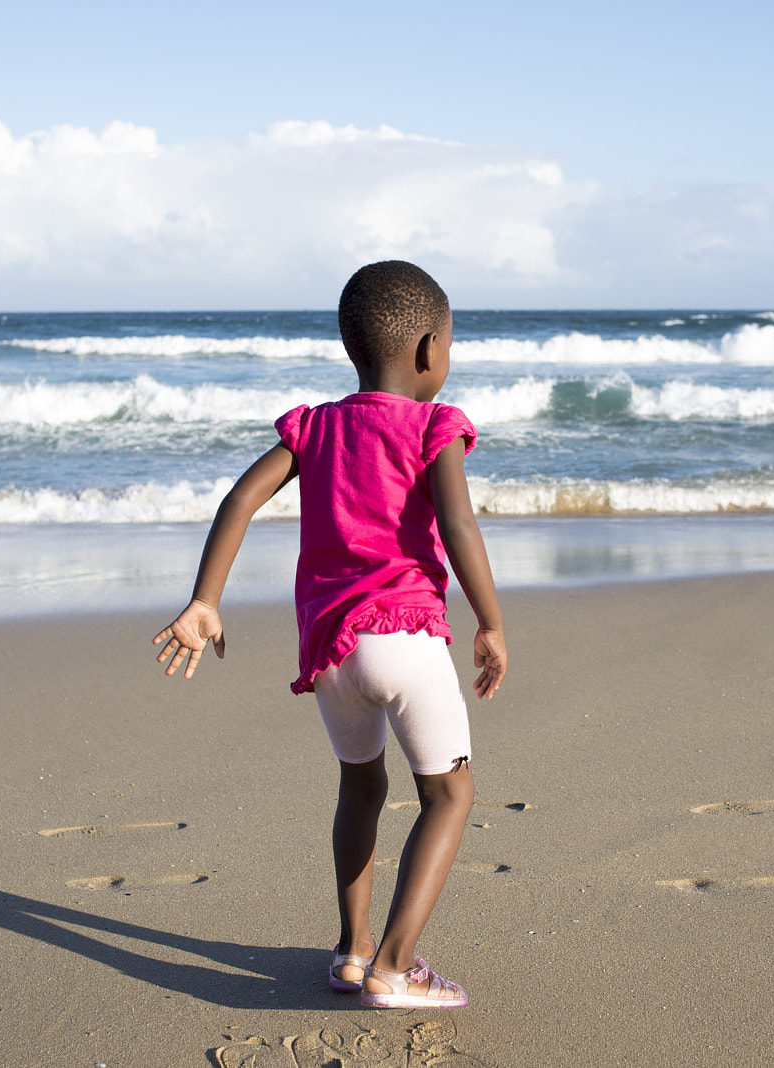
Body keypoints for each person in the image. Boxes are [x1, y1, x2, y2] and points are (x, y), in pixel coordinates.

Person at [151, 260, 507, 1010]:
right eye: (448, 345)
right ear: (426, 351)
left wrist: (205, 600)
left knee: (362, 783)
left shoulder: (315, 426)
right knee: (449, 794)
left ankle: (351, 950)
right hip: (405, 634)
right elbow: (456, 521)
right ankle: (395, 965)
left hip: (331, 650)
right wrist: (492, 620)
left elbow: (241, 497)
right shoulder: (434, 424)